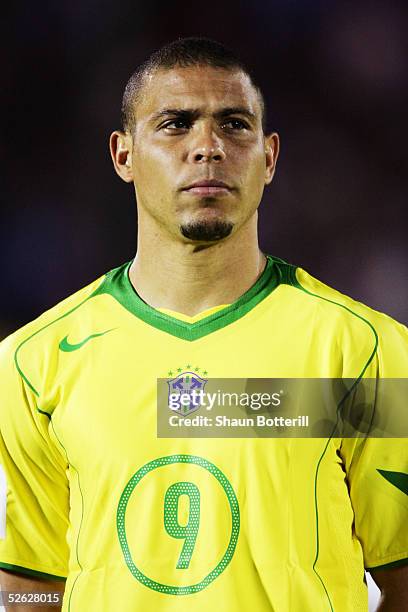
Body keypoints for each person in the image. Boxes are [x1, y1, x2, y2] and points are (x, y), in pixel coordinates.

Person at [0, 36, 407, 612]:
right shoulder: (33, 363)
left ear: (269, 157)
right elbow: (31, 589)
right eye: (175, 123)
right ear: (123, 156)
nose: (208, 147)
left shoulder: (366, 352)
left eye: (234, 124)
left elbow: (403, 577)